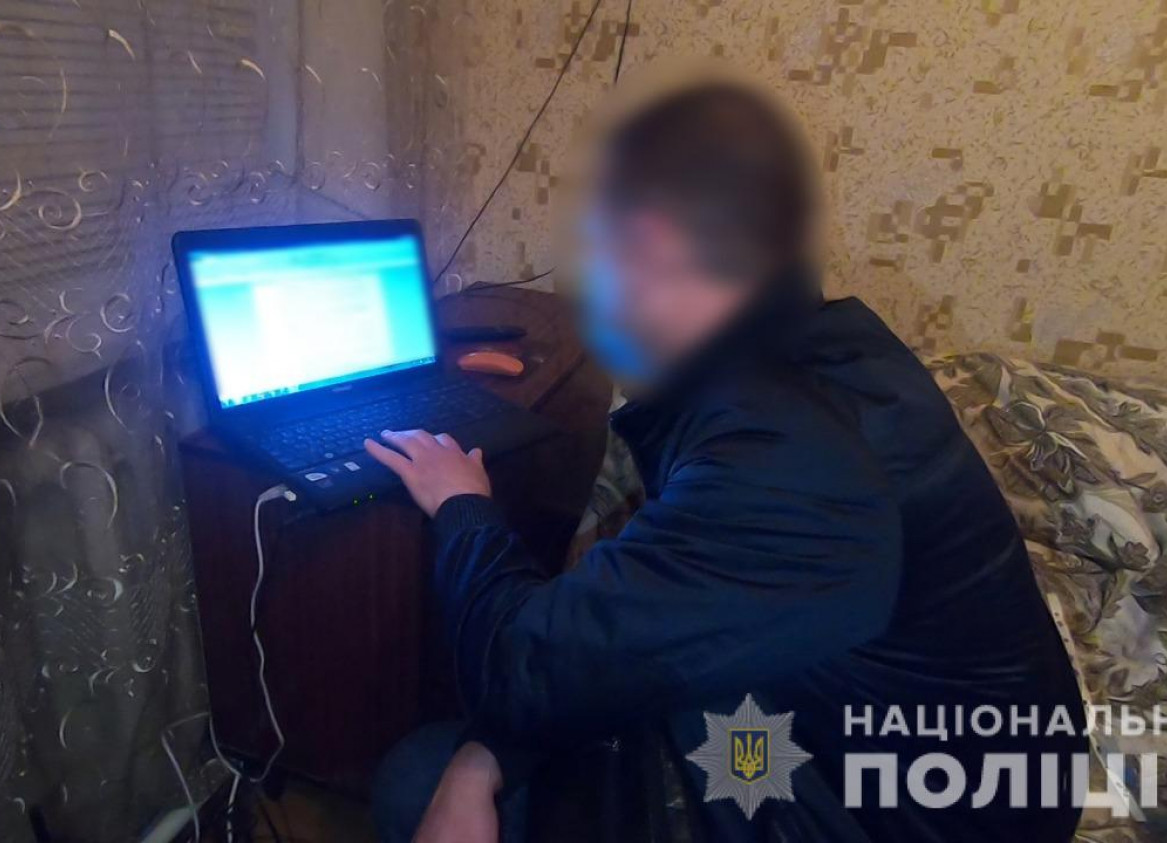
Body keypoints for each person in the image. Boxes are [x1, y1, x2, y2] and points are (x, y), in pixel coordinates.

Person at [364, 70, 1086, 842]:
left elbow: (519, 666)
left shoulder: (786, 465)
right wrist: (496, 745)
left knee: (415, 778)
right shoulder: (820, 355)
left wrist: (462, 505)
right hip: (853, 732)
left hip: (901, 813)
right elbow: (648, 625)